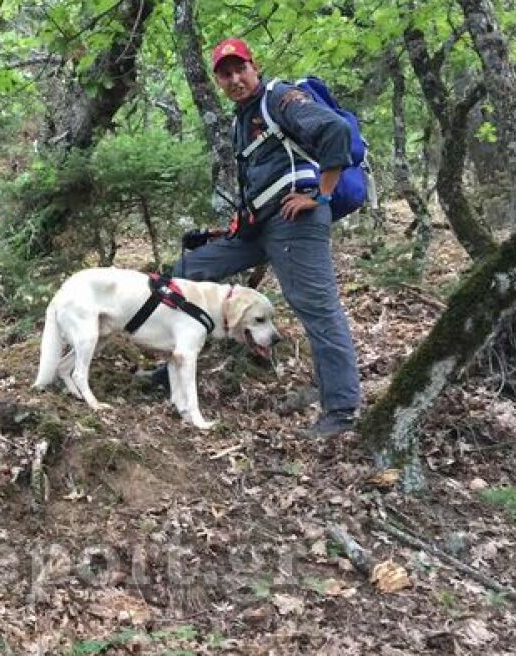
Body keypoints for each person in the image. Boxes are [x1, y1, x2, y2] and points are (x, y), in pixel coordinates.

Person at [148, 38, 361, 437]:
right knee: (189, 272)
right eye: (225, 74)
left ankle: (341, 410)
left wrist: (321, 195)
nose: (234, 79)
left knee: (315, 307)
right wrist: (228, 230)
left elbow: (335, 130)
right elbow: (258, 188)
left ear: (253, 66)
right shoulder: (241, 121)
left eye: (239, 69)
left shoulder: (279, 98)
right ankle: (174, 364)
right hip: (258, 227)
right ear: (218, 81)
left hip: (295, 222)